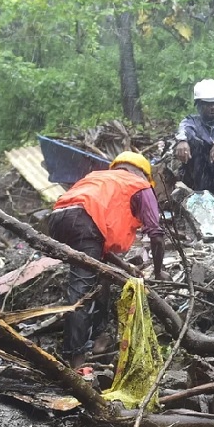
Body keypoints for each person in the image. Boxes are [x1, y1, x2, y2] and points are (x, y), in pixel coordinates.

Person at [48, 152, 166, 368]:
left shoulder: (99, 178)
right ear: (141, 173)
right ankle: (76, 361)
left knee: (100, 277)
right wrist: (159, 271)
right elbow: (156, 236)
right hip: (83, 223)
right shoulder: (139, 185)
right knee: (81, 290)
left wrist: (125, 266)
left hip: (59, 219)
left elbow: (96, 242)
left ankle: (97, 339)